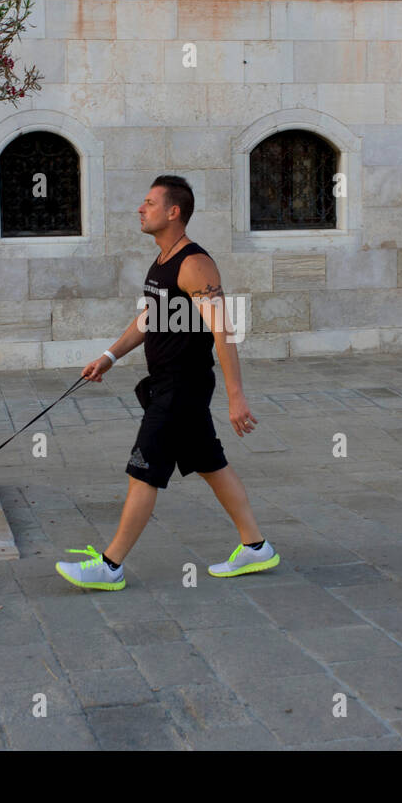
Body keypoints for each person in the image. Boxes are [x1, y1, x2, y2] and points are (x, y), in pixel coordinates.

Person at [54, 175, 279, 590]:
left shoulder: (195, 264)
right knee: (211, 464)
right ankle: (256, 546)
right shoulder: (162, 261)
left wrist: (236, 398)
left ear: (173, 211)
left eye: (149, 202)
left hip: (181, 388)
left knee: (144, 468)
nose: (141, 209)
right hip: (168, 384)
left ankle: (110, 565)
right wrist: (109, 356)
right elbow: (150, 317)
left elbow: (223, 332)